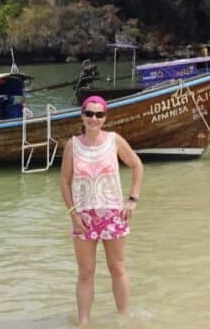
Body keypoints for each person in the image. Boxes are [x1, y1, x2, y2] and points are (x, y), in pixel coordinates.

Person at [60, 95, 144, 327]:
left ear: (105, 118)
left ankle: (123, 319)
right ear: (82, 116)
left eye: (99, 114)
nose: (93, 118)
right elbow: (65, 181)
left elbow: (137, 165)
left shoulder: (115, 140)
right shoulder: (72, 145)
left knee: (117, 268)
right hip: (84, 218)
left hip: (113, 214)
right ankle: (84, 323)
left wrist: (132, 200)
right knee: (85, 273)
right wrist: (73, 214)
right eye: (89, 114)